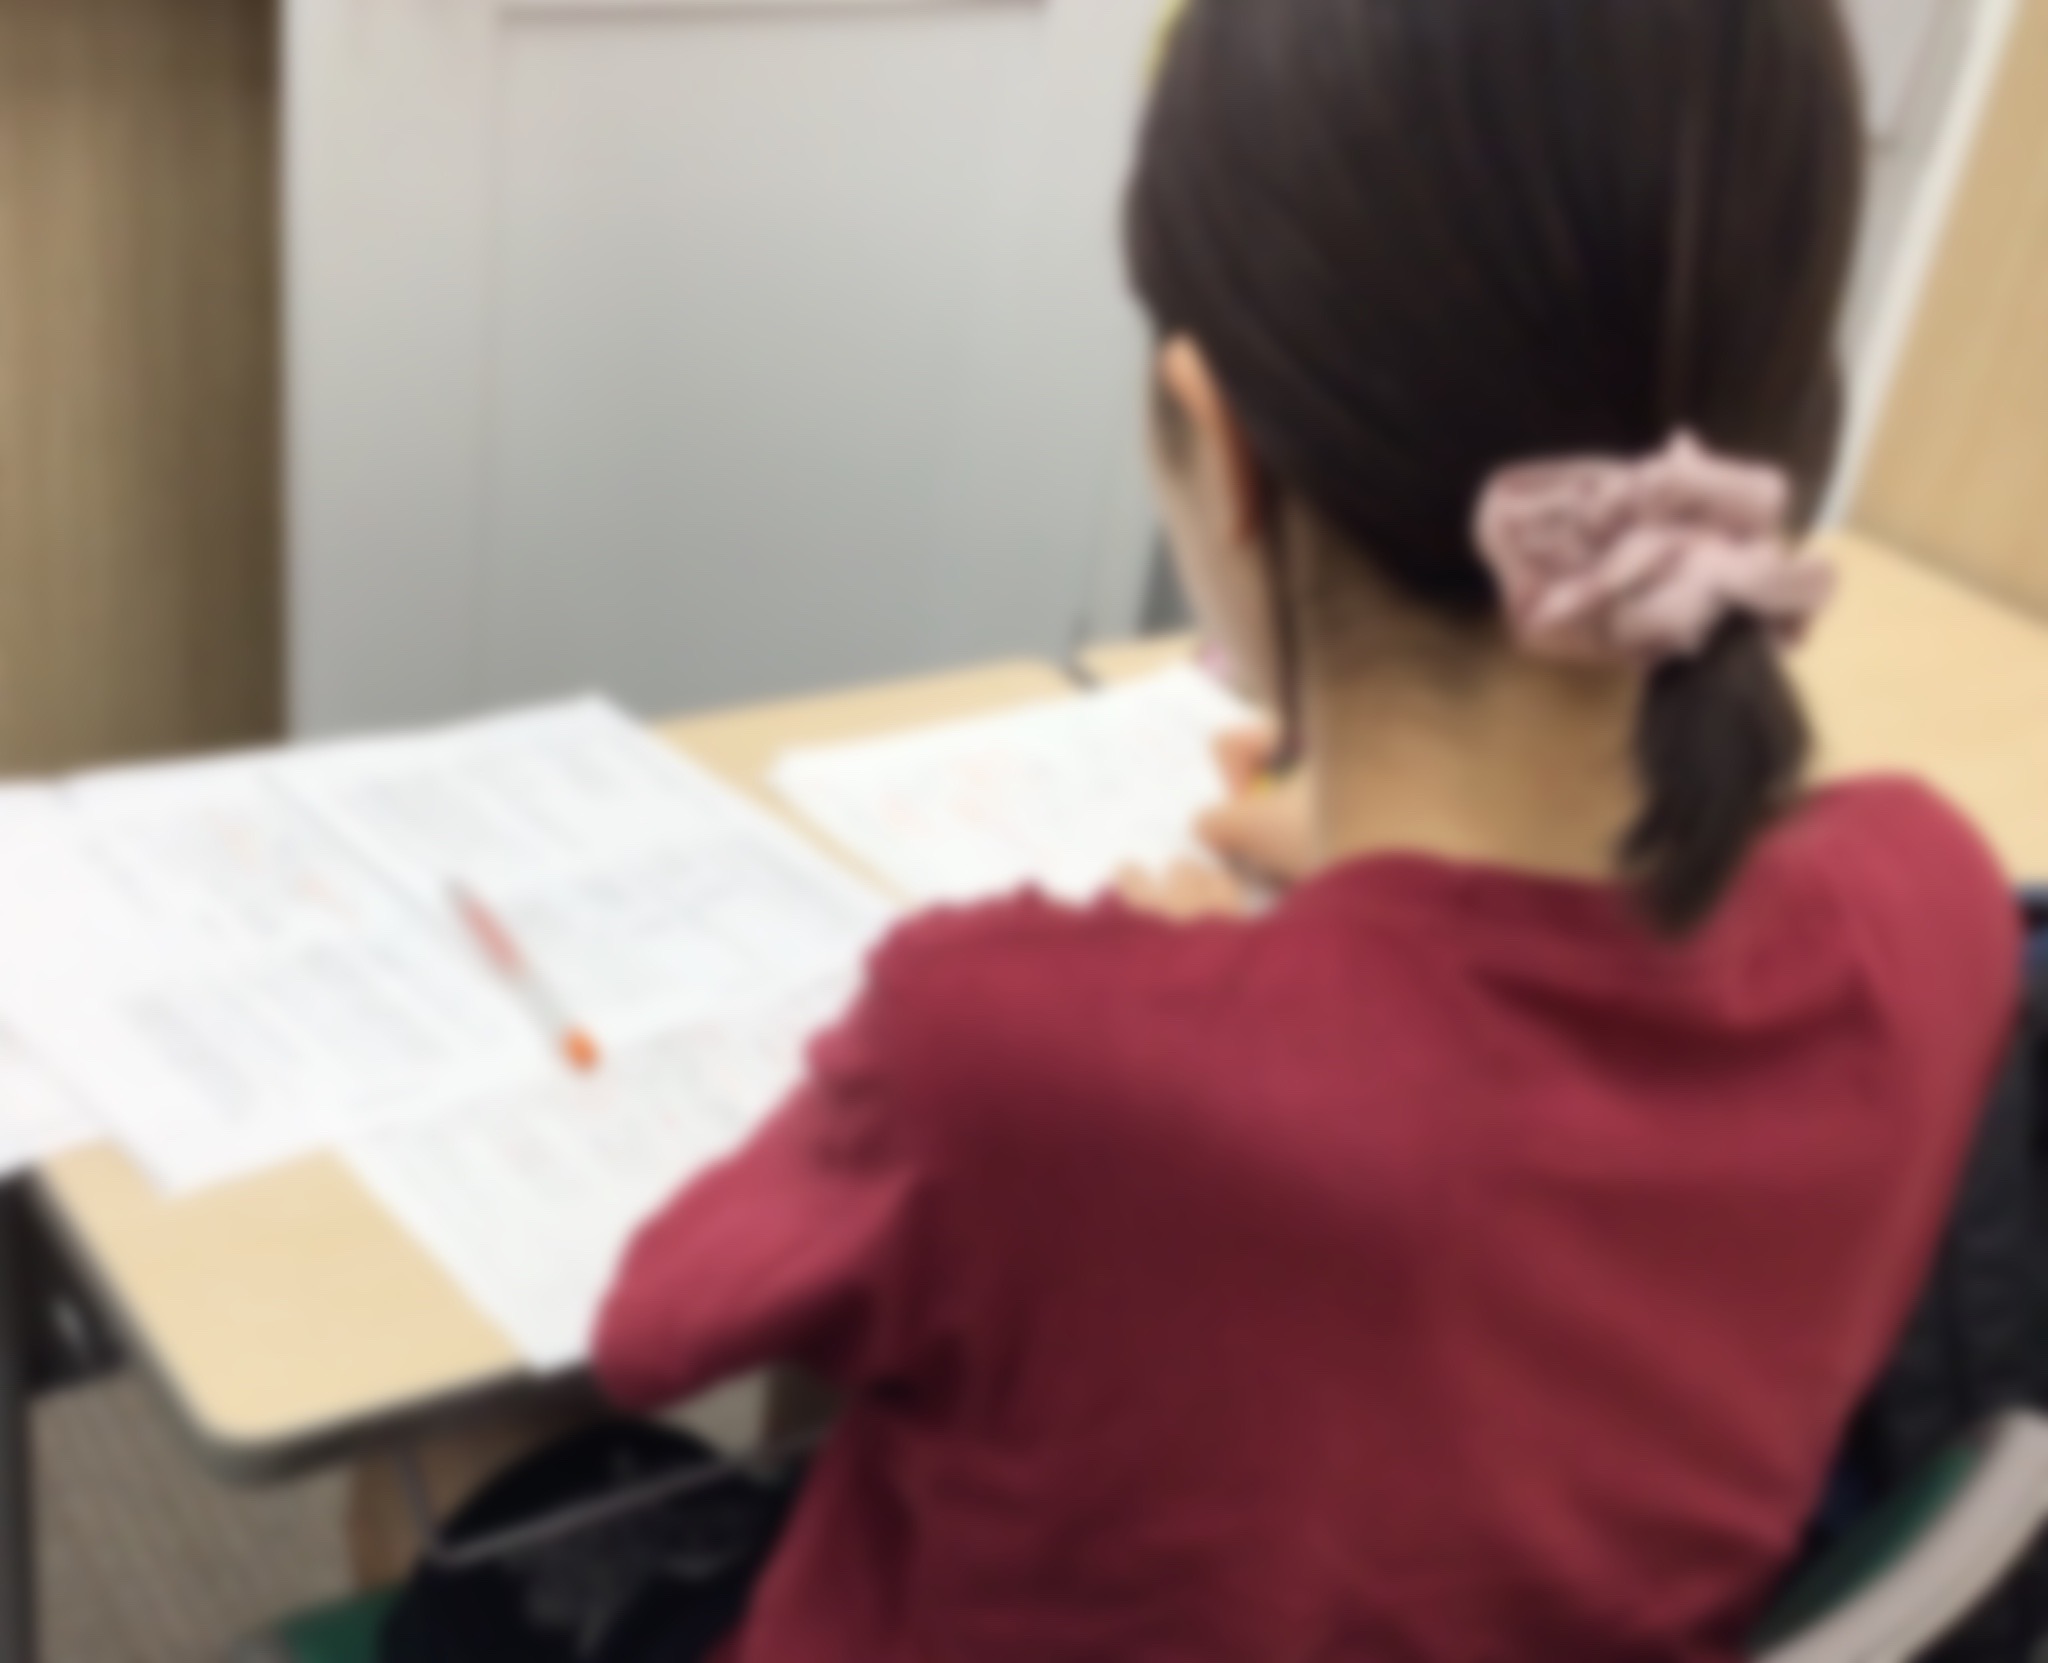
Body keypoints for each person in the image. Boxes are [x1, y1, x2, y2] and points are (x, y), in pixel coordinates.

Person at [411, 1, 2025, 1658]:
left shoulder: (1017, 1052)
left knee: (487, 1461)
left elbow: (655, 1321)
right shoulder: (1935, 901)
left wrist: (1191, 1009)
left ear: (1221, 444)